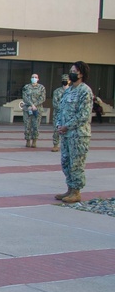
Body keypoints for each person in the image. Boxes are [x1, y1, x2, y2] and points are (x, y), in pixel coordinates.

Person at [54, 61, 93, 204]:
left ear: (81, 73)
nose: (71, 73)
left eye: (74, 70)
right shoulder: (68, 90)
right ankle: (69, 189)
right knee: (66, 162)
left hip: (78, 135)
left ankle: (76, 192)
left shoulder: (85, 91)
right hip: (66, 134)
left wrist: (67, 126)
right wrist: (59, 125)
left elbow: (84, 115)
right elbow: (61, 110)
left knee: (76, 163)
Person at [20, 73, 46, 148]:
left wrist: (35, 105)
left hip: (37, 109)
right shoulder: (26, 87)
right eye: (32, 77)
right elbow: (25, 97)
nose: (34, 78)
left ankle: (34, 140)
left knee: (36, 125)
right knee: (27, 125)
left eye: (35, 77)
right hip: (27, 109)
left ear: (38, 79)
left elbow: (42, 98)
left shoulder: (41, 87)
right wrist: (31, 105)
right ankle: (28, 140)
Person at [51, 74, 69, 152]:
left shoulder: (72, 91)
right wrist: (63, 109)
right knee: (56, 129)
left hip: (69, 115)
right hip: (58, 114)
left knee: (68, 130)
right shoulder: (57, 91)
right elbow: (55, 103)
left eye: (66, 80)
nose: (65, 81)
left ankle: (67, 146)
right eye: (63, 80)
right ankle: (55, 145)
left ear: (69, 81)